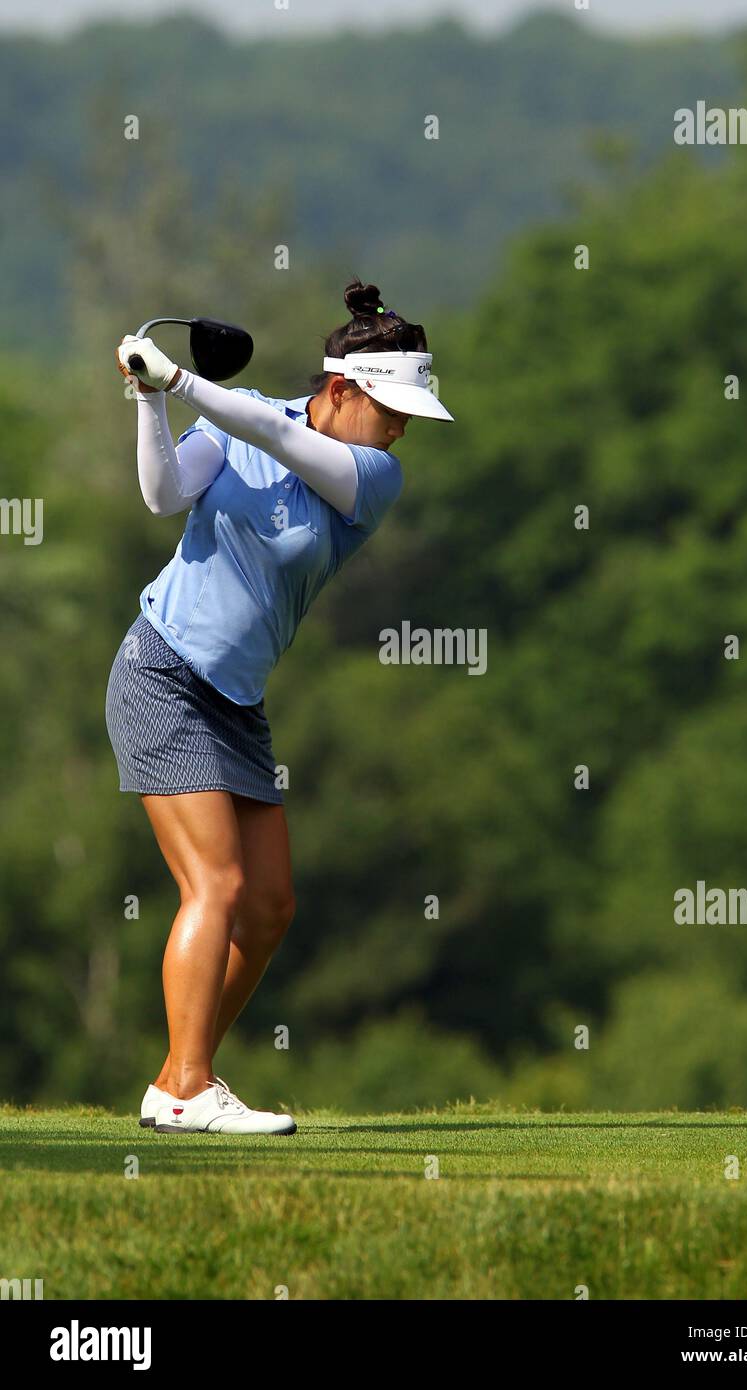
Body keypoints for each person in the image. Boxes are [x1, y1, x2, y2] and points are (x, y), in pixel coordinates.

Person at [107, 278, 454, 1135]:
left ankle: (173, 1082)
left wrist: (185, 384)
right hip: (160, 673)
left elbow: (272, 434)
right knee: (216, 885)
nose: (404, 426)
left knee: (269, 908)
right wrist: (151, 399)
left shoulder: (371, 476)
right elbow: (162, 495)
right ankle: (190, 1087)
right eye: (393, 407)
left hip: (236, 703)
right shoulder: (244, 415)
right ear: (342, 389)